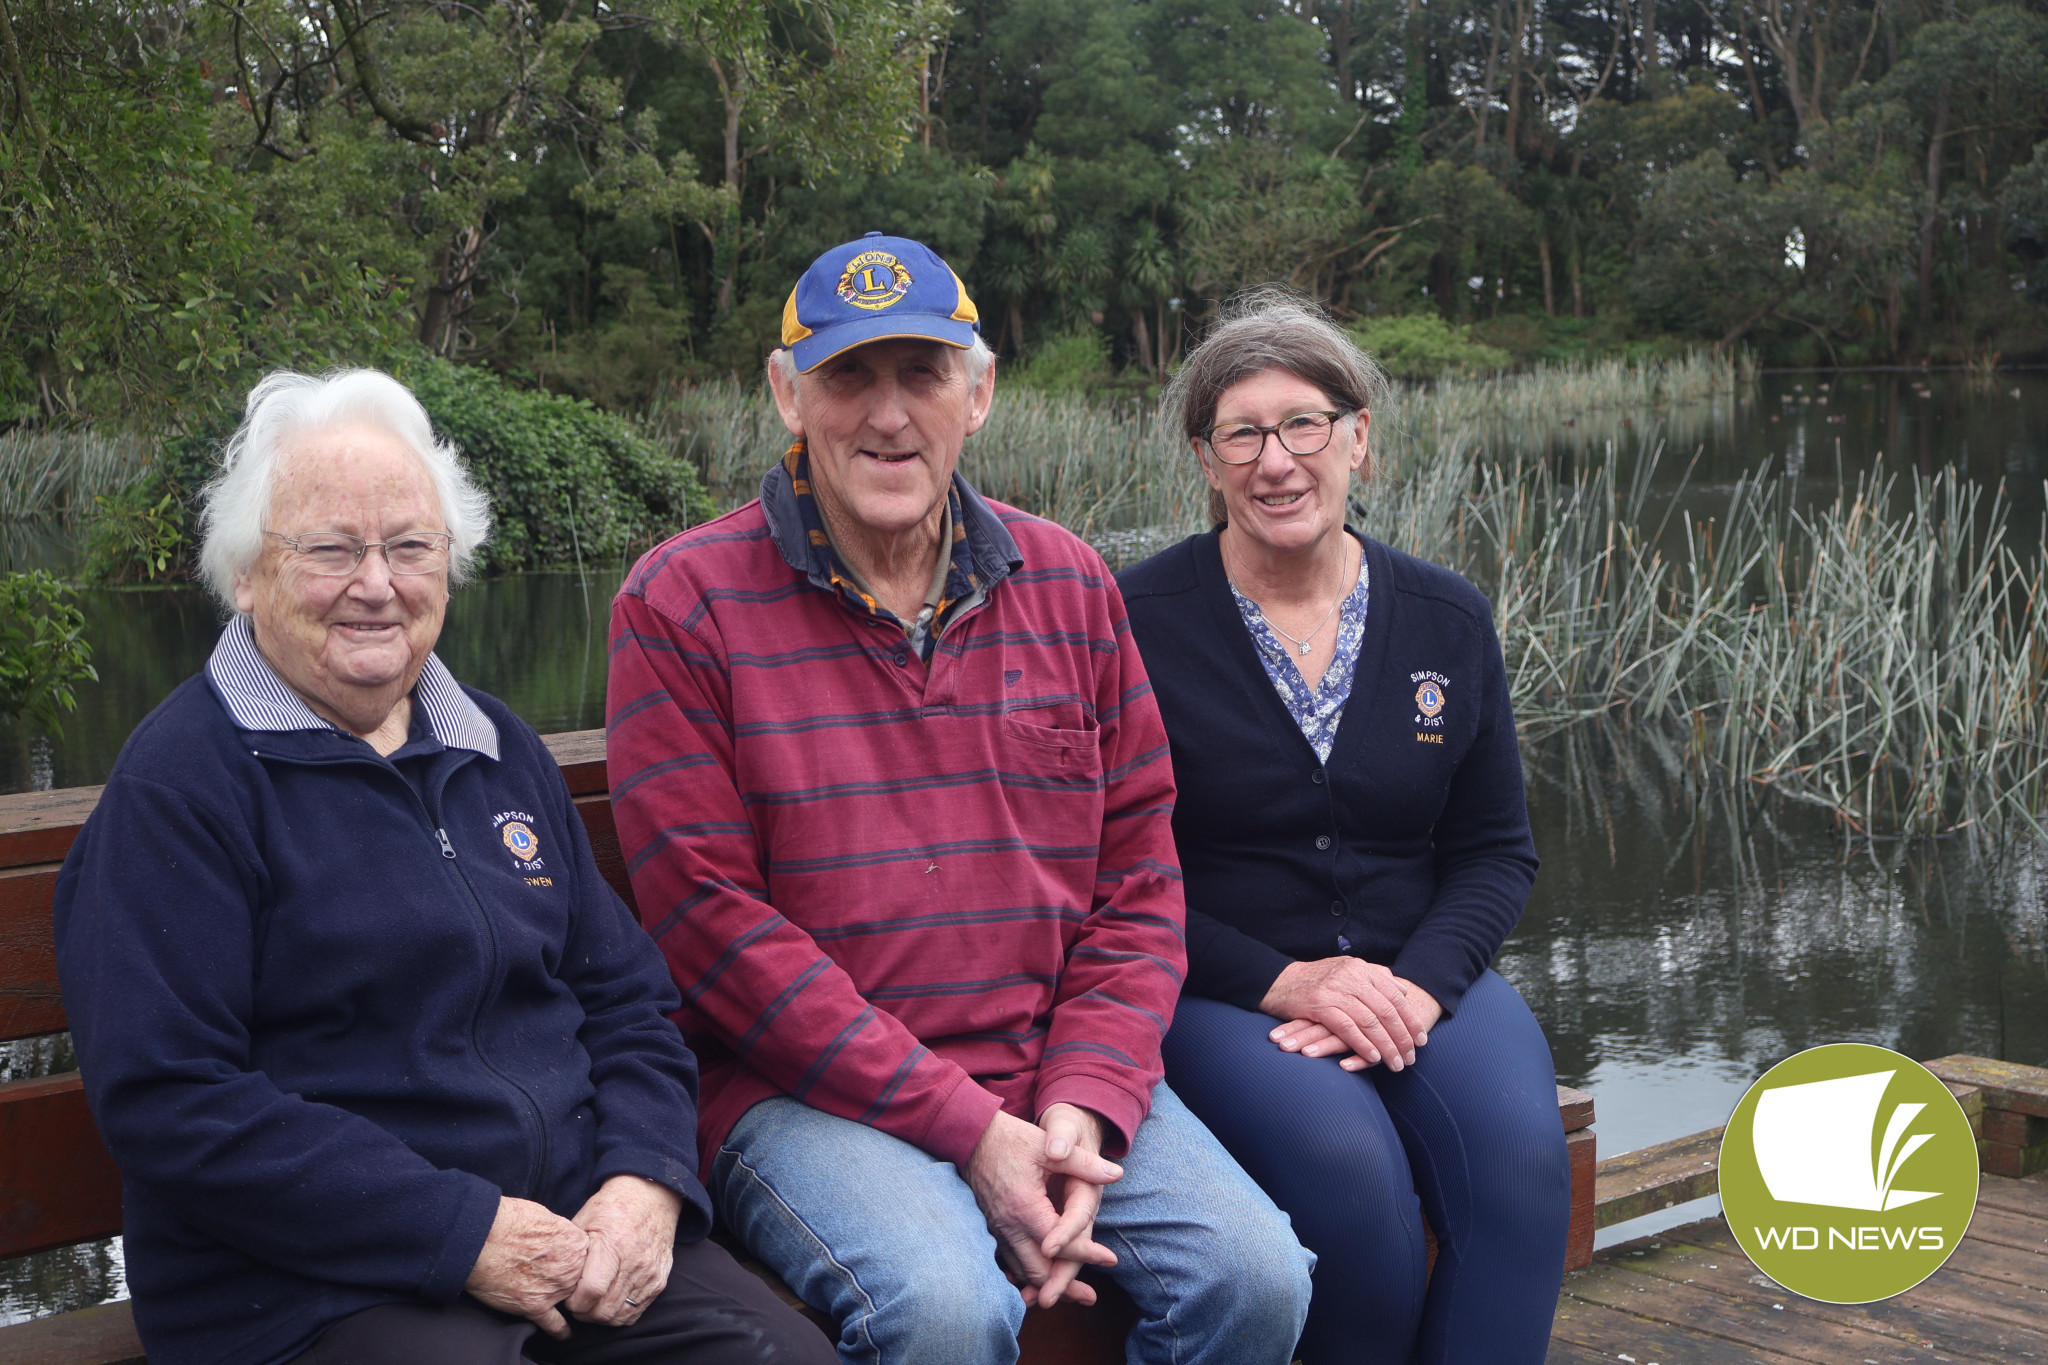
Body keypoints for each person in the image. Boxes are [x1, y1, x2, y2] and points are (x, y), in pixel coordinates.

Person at [604, 234, 1313, 1365]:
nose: (887, 416)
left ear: (976, 394)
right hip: (797, 1094)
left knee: (1255, 1278)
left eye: (921, 374)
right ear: (786, 394)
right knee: (940, 1309)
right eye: (847, 376)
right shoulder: (681, 604)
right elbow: (712, 930)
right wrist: (973, 1132)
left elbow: (1135, 884)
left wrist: (1082, 1101)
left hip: (1044, 1066)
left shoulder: (1071, 585)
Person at [53, 369, 834, 1365]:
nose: (375, 584)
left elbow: (629, 1003)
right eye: (330, 549)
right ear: (246, 572)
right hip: (307, 1284)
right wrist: (462, 1233)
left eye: (410, 547)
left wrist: (642, 1183)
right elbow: (173, 1100)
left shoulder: (494, 748)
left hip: (567, 1235)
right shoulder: (182, 788)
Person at [1116, 291, 1570, 1365]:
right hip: (1222, 987)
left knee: (1518, 1162)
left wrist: (1416, 986)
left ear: (1356, 439)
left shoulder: (1443, 617)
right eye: (1243, 433)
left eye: (1304, 424)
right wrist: (1287, 982)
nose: (1277, 461)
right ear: (1205, 457)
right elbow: (1111, 875)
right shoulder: (1130, 624)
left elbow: (1492, 848)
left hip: (1419, 975)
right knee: (1346, 1168)